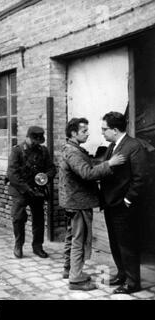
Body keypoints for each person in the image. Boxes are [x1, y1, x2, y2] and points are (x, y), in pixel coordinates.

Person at [59, 118, 125, 291]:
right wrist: (109, 163)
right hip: (78, 203)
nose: (88, 133)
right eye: (84, 131)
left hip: (74, 201)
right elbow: (87, 173)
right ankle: (76, 279)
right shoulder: (72, 152)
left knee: (71, 237)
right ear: (73, 133)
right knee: (79, 240)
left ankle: (69, 270)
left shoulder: (73, 149)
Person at [100, 111, 146, 294]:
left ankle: (133, 283)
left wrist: (128, 199)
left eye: (104, 129)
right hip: (111, 204)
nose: (102, 133)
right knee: (115, 242)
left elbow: (141, 178)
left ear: (115, 129)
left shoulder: (134, 146)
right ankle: (122, 274)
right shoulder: (113, 146)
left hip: (123, 206)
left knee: (127, 244)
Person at [7, 126, 56, 259]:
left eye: (39, 141)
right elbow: (12, 174)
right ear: (27, 137)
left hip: (37, 190)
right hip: (20, 191)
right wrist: (26, 189)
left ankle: (38, 246)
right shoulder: (17, 151)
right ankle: (18, 245)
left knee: (39, 219)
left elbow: (51, 168)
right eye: (34, 140)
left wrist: (45, 178)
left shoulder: (43, 151)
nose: (36, 143)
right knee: (18, 218)